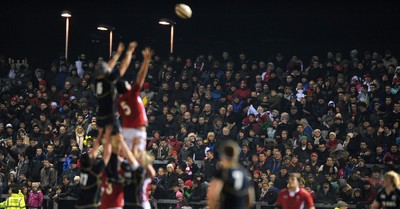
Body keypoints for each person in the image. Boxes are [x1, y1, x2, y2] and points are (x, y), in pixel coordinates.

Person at [93, 42, 137, 182]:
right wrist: (128, 53)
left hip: (100, 117)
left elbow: (109, 67)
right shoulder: (109, 81)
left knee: (109, 146)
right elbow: (122, 68)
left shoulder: (97, 81)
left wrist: (117, 54)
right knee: (120, 143)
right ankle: (134, 166)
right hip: (110, 117)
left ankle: (107, 171)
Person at [117, 47, 152, 155]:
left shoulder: (119, 101)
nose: (129, 84)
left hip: (126, 130)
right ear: (126, 87)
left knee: (127, 157)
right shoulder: (132, 94)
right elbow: (140, 78)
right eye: (127, 83)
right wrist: (146, 62)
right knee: (139, 158)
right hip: (137, 129)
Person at [207, 140, 255, 209]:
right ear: (236, 155)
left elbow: (212, 195)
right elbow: (250, 199)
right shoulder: (244, 172)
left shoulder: (223, 172)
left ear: (222, 155)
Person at [75, 125, 113, 209]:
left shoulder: (84, 170)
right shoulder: (94, 171)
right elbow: (105, 158)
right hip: (91, 202)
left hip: (83, 201)